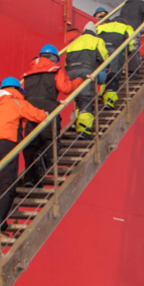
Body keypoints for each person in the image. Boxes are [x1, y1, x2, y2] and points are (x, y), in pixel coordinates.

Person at [0, 77, 48, 233]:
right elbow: (38, 116)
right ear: (17, 90)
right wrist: (48, 112)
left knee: (0, 182)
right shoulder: (16, 102)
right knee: (8, 187)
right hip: (6, 146)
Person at [21, 44, 83, 187]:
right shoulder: (56, 70)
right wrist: (80, 80)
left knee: (31, 145)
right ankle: (42, 157)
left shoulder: (27, 75)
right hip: (48, 111)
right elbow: (65, 88)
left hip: (30, 112)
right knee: (53, 142)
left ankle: (30, 179)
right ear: (54, 58)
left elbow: (22, 96)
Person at [63, 21, 109, 115]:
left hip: (71, 72)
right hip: (86, 71)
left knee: (78, 99)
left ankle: (77, 119)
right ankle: (84, 126)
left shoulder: (74, 42)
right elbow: (103, 58)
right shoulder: (97, 40)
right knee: (86, 99)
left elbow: (65, 63)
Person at [95, 8, 135, 108]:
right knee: (113, 74)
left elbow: (96, 38)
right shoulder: (126, 27)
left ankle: (102, 91)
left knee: (103, 72)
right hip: (116, 50)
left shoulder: (104, 25)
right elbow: (130, 43)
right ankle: (109, 100)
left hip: (102, 50)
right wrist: (127, 53)